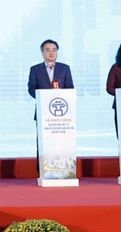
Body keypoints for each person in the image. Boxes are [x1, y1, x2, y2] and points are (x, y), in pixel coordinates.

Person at [27, 39, 74, 174]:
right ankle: (42, 171)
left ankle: (63, 169)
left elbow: (70, 87)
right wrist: (44, 97)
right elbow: (31, 89)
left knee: (61, 141)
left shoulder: (65, 68)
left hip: (61, 114)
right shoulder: (35, 69)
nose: (51, 53)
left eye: (54, 50)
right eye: (47, 50)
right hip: (43, 113)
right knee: (43, 142)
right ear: (42, 52)